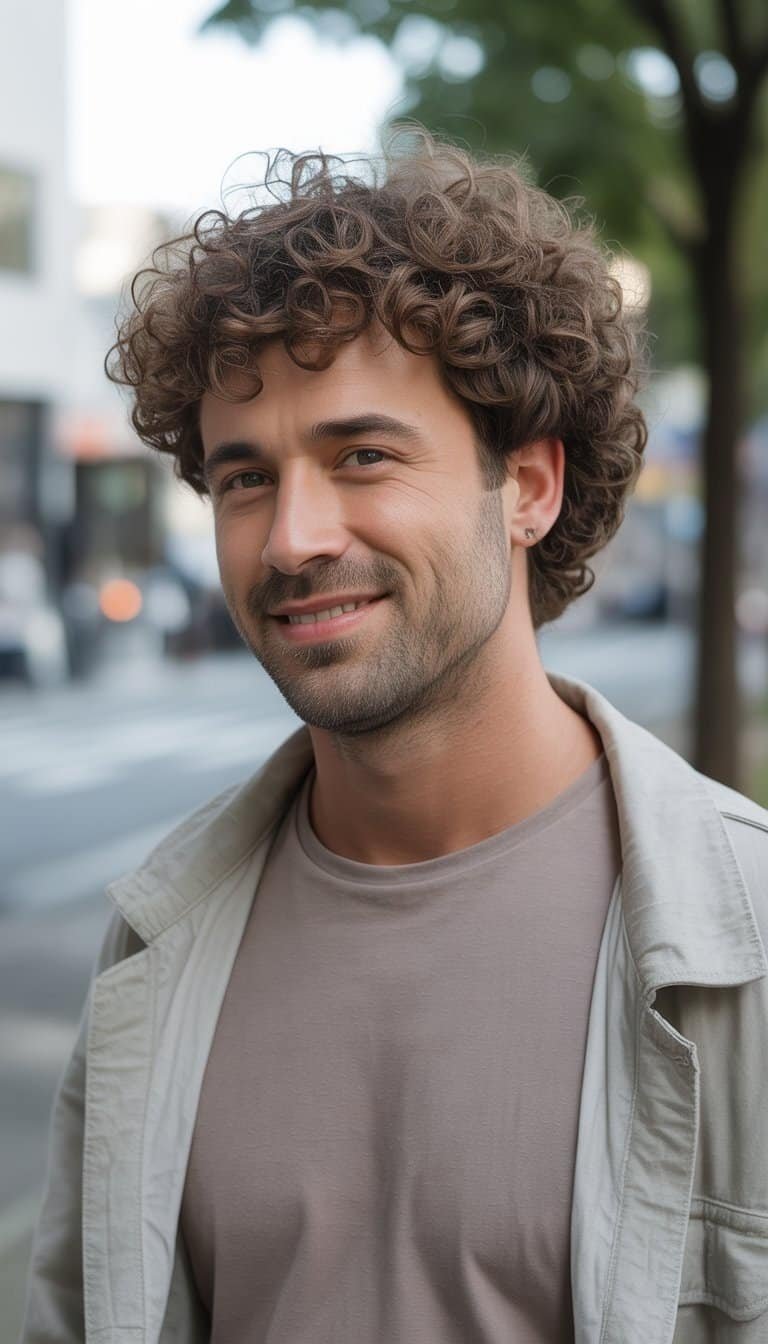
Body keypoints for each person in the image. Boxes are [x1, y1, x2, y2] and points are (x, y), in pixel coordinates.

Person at [21, 130, 768, 1344]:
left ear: (527, 486)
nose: (292, 538)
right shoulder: (159, 938)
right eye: (244, 478)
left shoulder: (747, 936)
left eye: (362, 455)